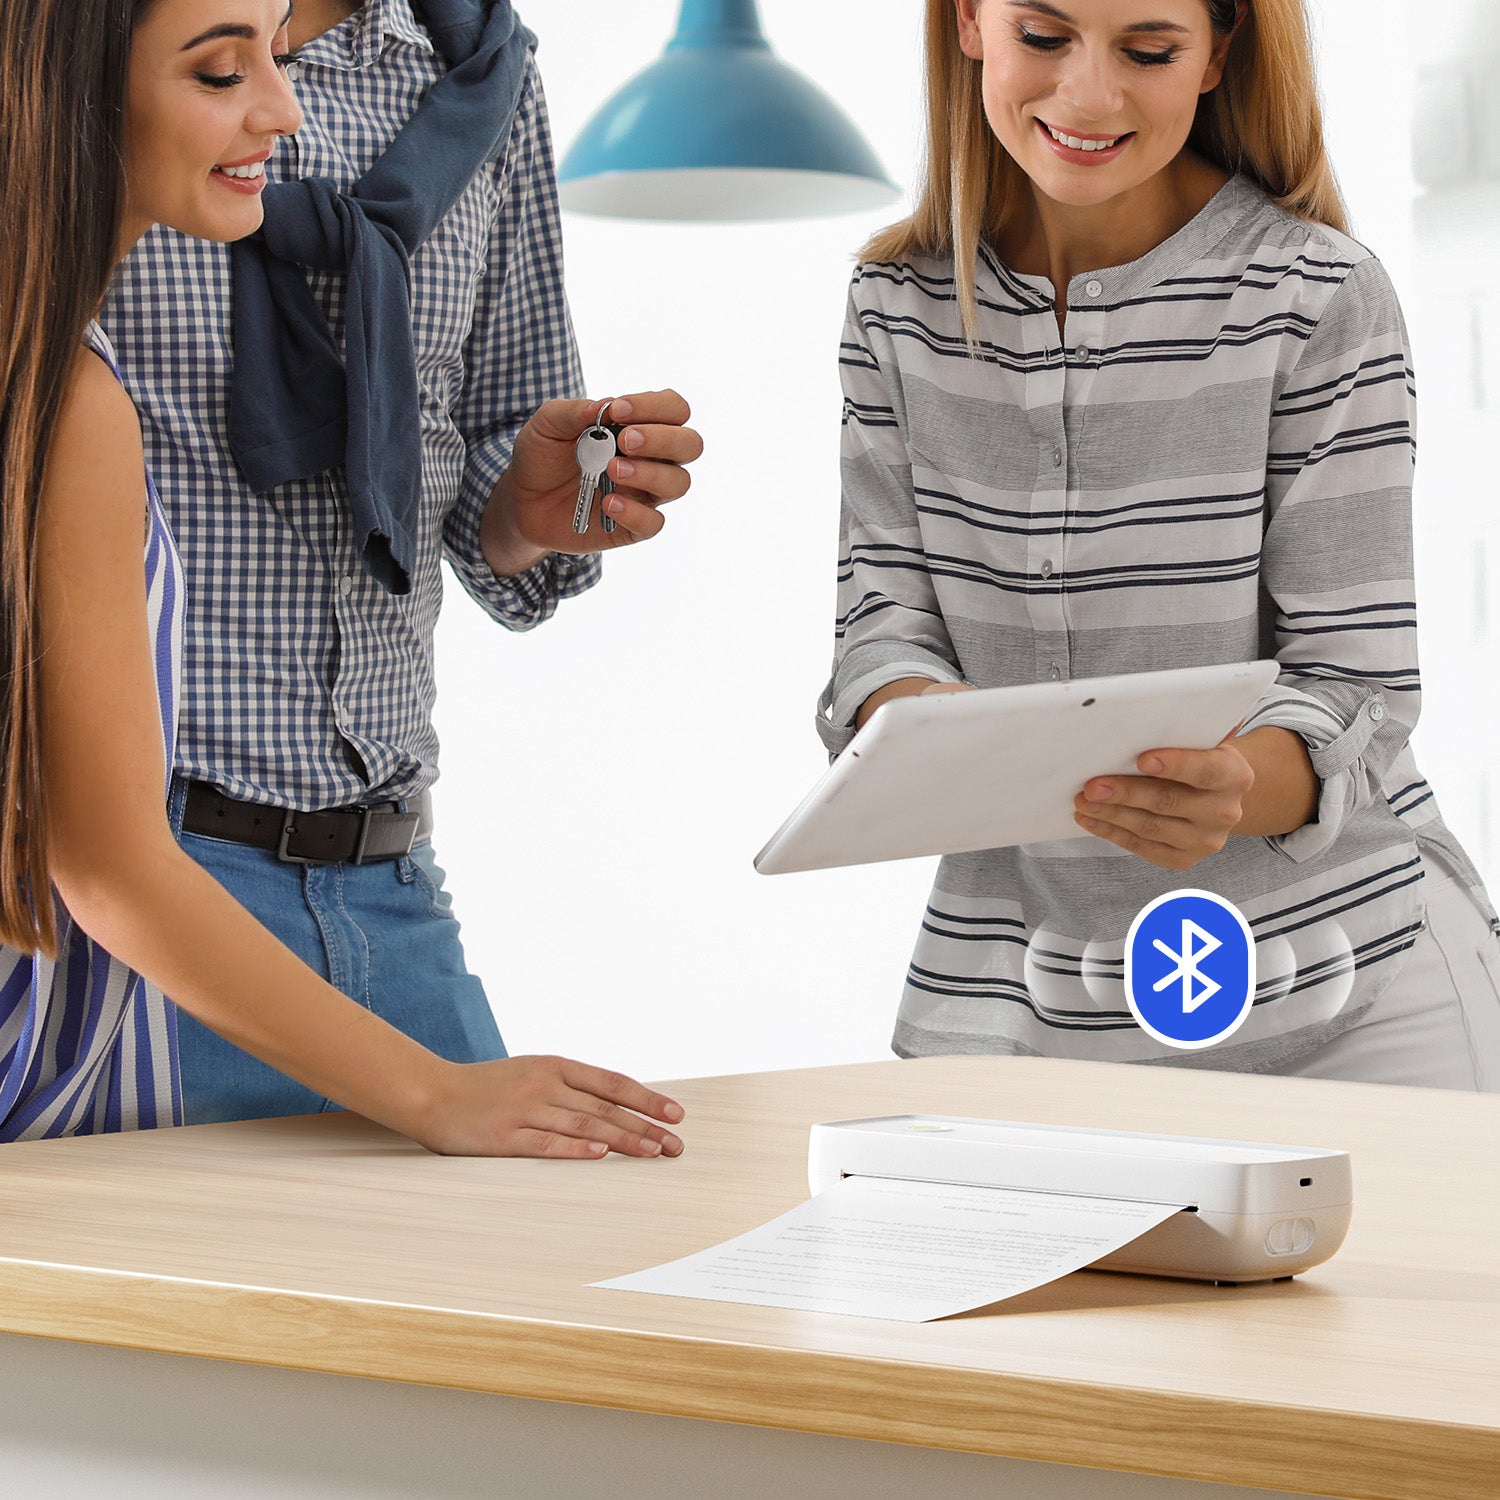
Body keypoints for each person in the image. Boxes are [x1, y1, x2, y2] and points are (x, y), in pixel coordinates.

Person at [0, 0, 685, 1157]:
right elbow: (104, 861)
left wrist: (525, 505)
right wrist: (434, 1097)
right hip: (149, 913)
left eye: (267, 54)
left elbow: (483, 458)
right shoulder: (69, 401)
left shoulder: (480, 76)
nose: (283, 108)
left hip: (386, 872)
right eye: (223, 71)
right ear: (74, 88)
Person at [818, 0, 1500, 1089]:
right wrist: (930, 735)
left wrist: (1237, 783)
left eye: (1148, 50)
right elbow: (882, 620)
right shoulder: (896, 306)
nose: (1090, 96)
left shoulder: (1317, 295)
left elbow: (1354, 687)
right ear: (967, 24)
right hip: (1034, 998)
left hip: (1355, 993)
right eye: (1044, 38)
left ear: (1219, 52)